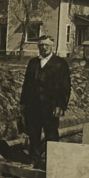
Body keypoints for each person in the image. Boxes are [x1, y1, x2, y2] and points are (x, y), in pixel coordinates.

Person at [19, 35, 71, 167]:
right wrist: (23, 103)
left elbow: (65, 87)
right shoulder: (33, 63)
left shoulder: (60, 64)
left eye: (47, 45)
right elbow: (26, 85)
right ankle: (34, 159)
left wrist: (61, 106)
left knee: (51, 134)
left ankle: (52, 162)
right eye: (41, 45)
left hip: (50, 107)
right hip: (33, 106)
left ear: (52, 47)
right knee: (33, 133)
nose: (44, 48)